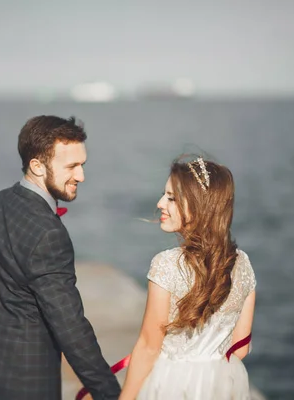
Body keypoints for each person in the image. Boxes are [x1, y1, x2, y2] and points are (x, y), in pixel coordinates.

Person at [0, 115, 121, 400]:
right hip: (26, 384)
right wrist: (109, 393)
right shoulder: (48, 233)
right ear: (37, 166)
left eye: (82, 164)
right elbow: (70, 326)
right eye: (71, 166)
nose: (81, 176)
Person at [119, 155, 257, 399]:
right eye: (164, 195)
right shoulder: (242, 264)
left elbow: (149, 346)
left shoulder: (166, 265)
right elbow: (242, 347)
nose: (161, 203)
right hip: (222, 386)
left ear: (199, 206)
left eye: (171, 198)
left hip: (172, 385)